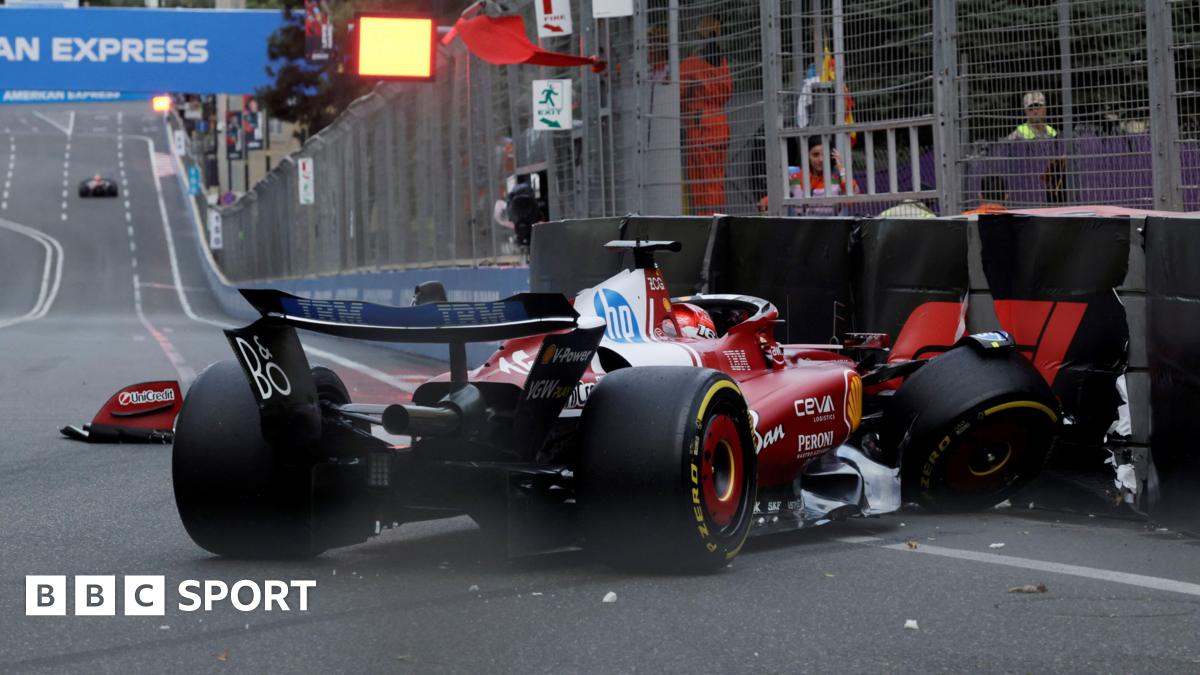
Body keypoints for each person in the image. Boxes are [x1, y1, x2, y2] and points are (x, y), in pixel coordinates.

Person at [680, 15, 732, 216]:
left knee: (701, 182)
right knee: (716, 180)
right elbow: (727, 92)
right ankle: (717, 217)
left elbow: (675, 94)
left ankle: (707, 221)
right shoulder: (722, 62)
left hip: (700, 126)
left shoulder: (692, 64)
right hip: (720, 124)